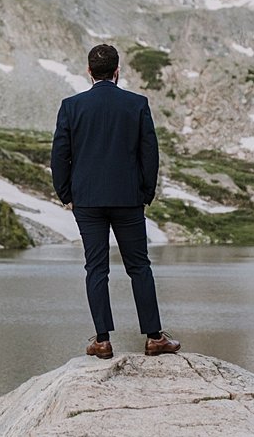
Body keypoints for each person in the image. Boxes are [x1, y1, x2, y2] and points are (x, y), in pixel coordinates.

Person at [50, 43, 180, 359]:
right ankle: (154, 338)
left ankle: (103, 341)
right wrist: (145, 193)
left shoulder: (71, 106)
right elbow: (150, 154)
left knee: (96, 268)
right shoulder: (137, 104)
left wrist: (67, 195)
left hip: (88, 201)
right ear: (118, 72)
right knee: (139, 267)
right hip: (128, 199)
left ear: (90, 71)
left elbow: (59, 156)